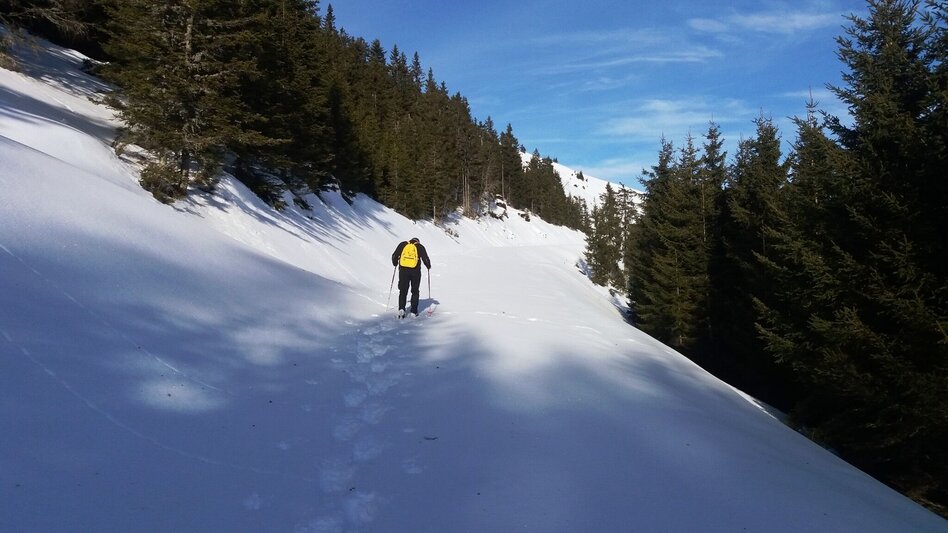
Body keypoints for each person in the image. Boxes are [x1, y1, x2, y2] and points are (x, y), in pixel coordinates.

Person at [391, 237, 431, 318]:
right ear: (418, 241)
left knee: (403, 290)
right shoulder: (420, 247)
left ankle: (401, 309)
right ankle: (413, 311)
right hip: (415, 272)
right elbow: (425, 259)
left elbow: (394, 255)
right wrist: (428, 266)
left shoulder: (403, 244)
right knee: (415, 291)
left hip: (403, 270)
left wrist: (395, 263)